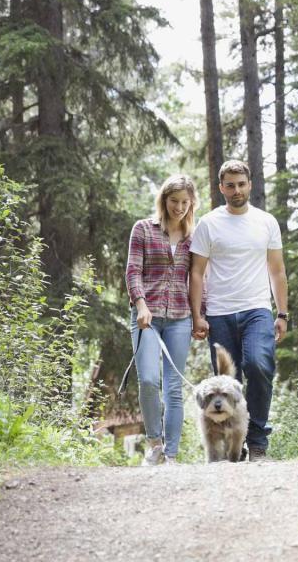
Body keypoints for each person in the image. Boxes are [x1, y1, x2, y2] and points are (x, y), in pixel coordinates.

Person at [189, 160, 288, 462]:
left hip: (257, 309)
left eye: (241, 184)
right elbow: (196, 273)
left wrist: (282, 313)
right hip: (219, 312)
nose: (236, 190)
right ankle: (233, 441)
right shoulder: (208, 223)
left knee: (259, 365)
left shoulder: (266, 222)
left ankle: (257, 442)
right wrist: (197, 315)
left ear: (250, 185)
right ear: (221, 188)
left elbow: (277, 271)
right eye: (230, 185)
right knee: (227, 382)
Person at [125, 174, 199, 465]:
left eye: (184, 202)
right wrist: (140, 304)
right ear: (163, 200)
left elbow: (197, 280)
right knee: (147, 380)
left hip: (180, 318)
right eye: (173, 201)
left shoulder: (194, 238)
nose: (179, 207)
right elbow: (133, 271)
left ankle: (171, 455)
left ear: (191, 203)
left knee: (173, 387)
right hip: (147, 317)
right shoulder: (143, 229)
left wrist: (199, 316)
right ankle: (154, 444)